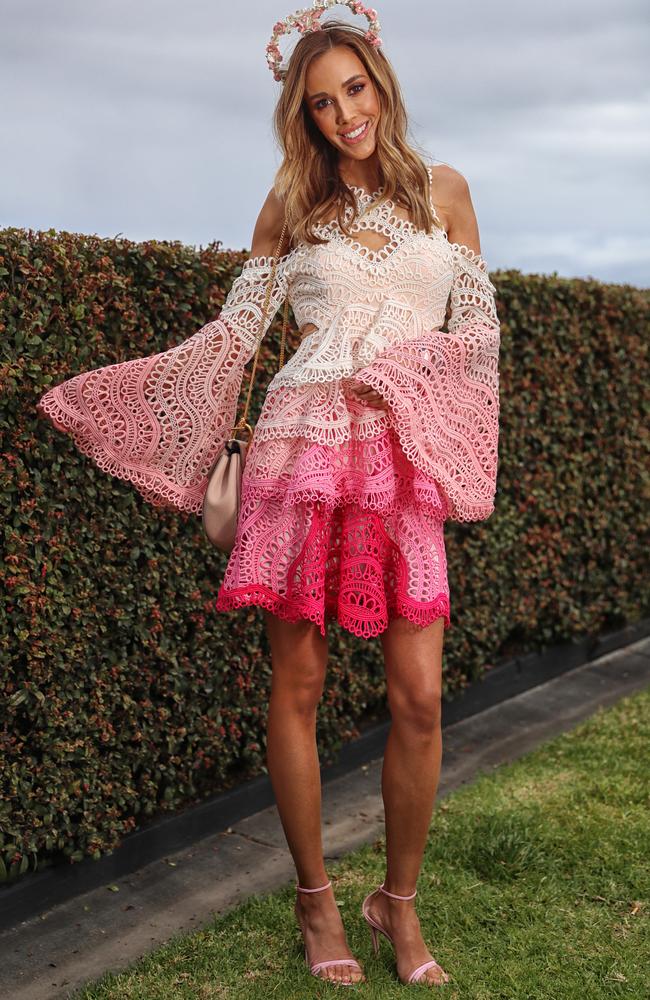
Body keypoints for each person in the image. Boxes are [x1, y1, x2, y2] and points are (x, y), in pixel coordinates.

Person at [37, 1, 500, 988]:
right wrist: (123, 398)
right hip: (301, 456)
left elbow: (477, 340)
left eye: (355, 90)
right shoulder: (290, 205)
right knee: (296, 684)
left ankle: (397, 903)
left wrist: (410, 376)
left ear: (382, 86)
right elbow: (232, 339)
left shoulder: (447, 194)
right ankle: (315, 896)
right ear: (303, 116)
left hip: (400, 460)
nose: (344, 115)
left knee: (417, 696)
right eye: (322, 103)